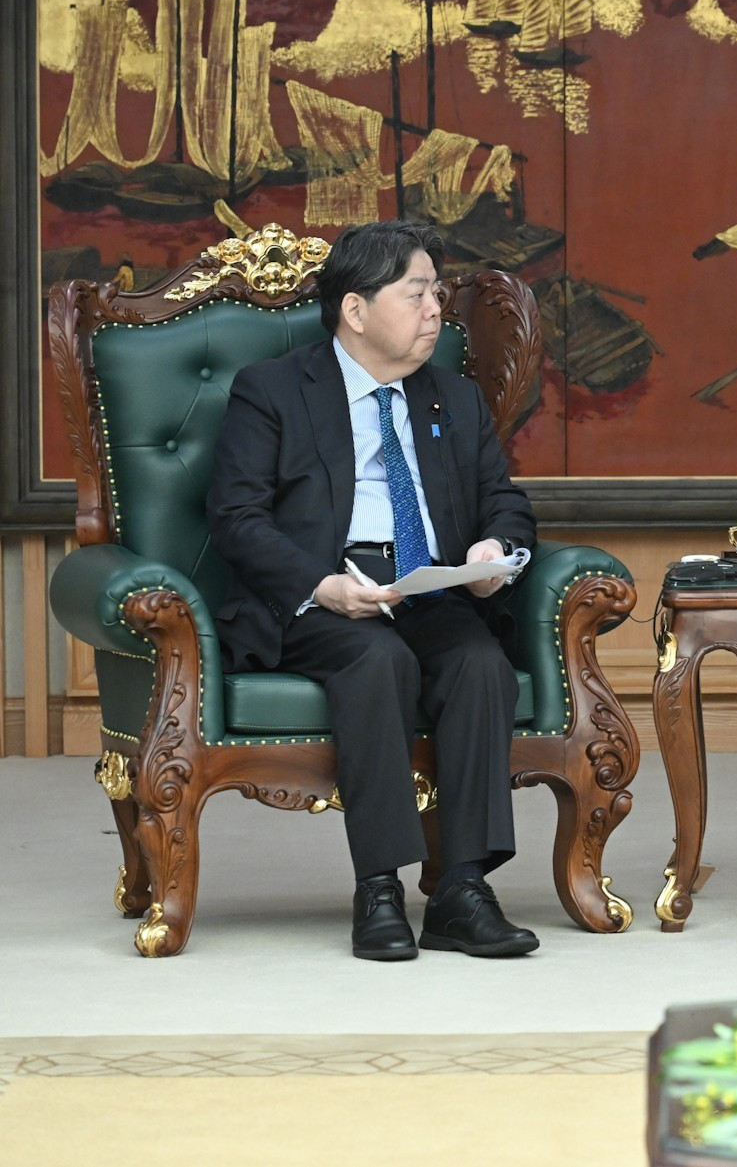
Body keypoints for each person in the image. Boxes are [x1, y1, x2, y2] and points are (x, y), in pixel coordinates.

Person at [207, 220, 540, 962]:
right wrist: (319, 584)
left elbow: (504, 499)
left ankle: (461, 888)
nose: (435, 312)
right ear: (356, 309)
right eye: (416, 293)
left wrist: (493, 548)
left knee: (479, 661)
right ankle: (380, 885)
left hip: (429, 586)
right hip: (326, 593)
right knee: (376, 659)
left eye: (437, 295)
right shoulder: (273, 391)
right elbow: (235, 516)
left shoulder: (451, 395)